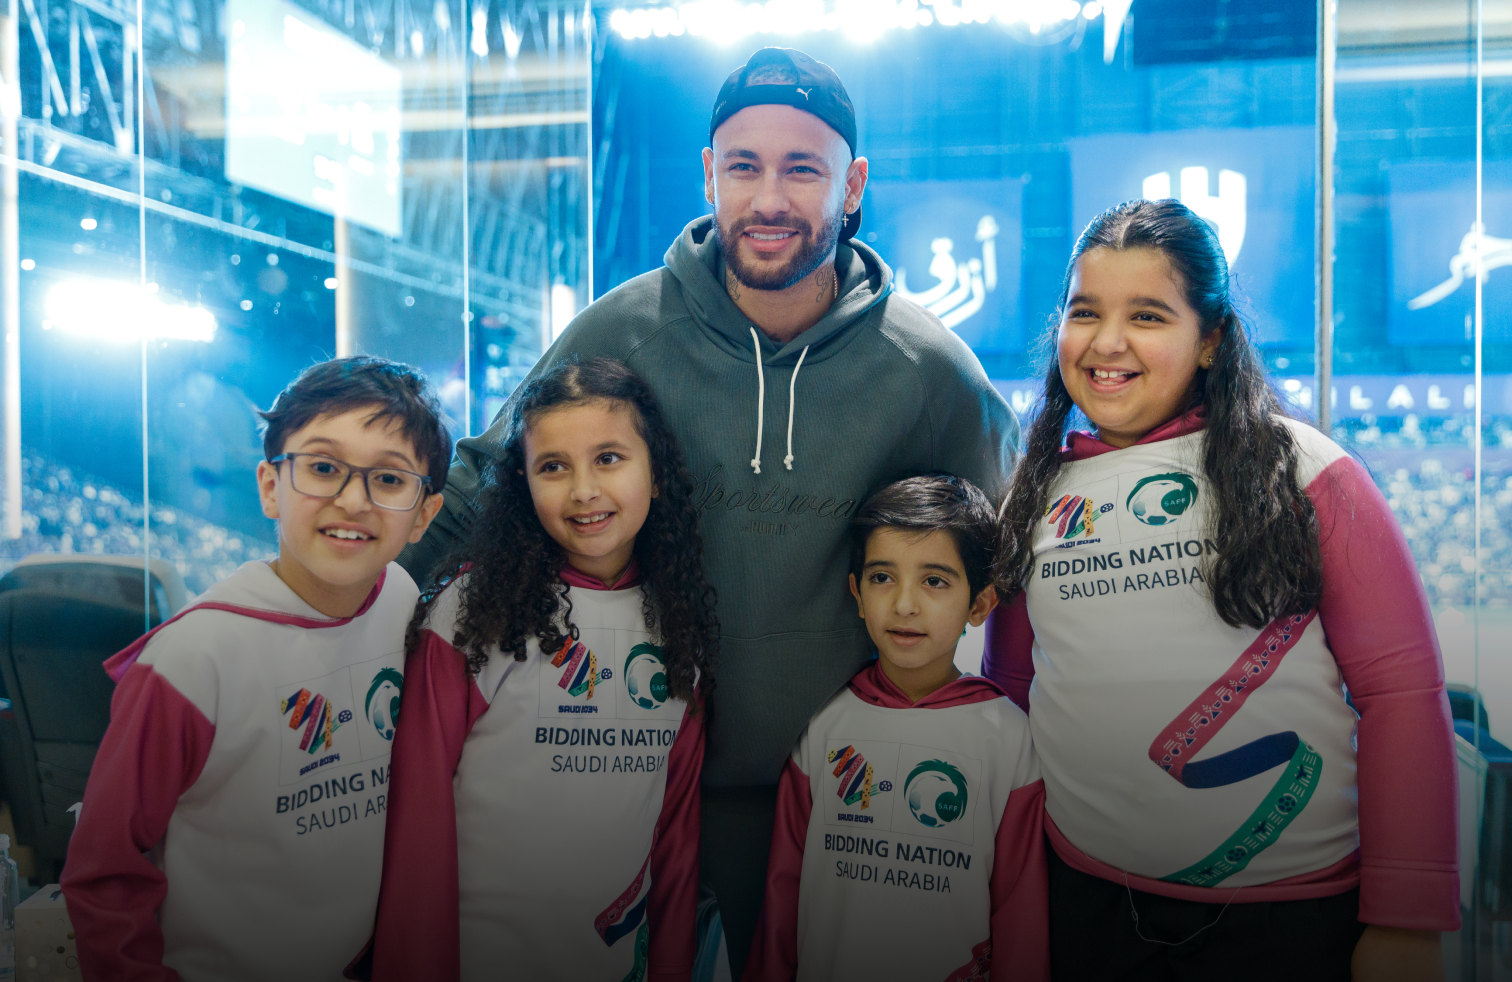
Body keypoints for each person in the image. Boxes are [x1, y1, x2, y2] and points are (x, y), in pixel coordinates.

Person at [400, 46, 1018, 974]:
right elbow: (486, 489)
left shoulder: (930, 371)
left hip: (846, 800)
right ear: (709, 175)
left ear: (851, 186)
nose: (769, 197)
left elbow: (1006, 558)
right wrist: (333, 622)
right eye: (744, 167)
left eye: (801, 169)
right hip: (633, 787)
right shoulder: (623, 329)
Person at [983, 199, 1459, 981]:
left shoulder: (1303, 469)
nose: (1107, 343)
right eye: (1084, 312)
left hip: (1291, 920)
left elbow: (1401, 691)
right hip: (1090, 906)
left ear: (1209, 340)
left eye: (1147, 315)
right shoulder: (1035, 491)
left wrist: (1407, 920)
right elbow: (1012, 693)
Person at [61, 357, 450, 982]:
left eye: (389, 479)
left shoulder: (403, 602)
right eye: (323, 468)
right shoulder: (193, 659)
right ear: (270, 486)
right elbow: (105, 871)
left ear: (424, 515)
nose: (353, 501)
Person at [369, 359, 716, 982]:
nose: (583, 490)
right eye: (553, 466)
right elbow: (416, 820)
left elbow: (676, 838)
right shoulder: (471, 612)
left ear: (657, 473)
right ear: (523, 485)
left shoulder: (679, 624)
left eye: (608, 458)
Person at [744, 475, 1048, 982]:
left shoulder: (1009, 740)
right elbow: (782, 896)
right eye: (882, 578)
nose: (904, 605)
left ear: (980, 605)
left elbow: (1022, 918)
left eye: (935, 581)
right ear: (856, 593)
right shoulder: (822, 724)